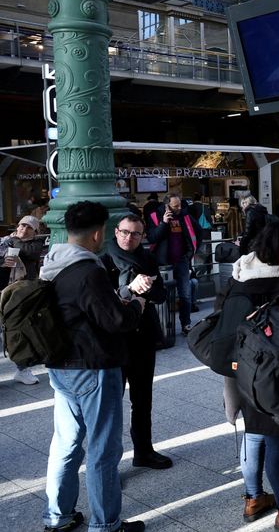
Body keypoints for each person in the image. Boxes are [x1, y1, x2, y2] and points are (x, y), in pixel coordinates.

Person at [40, 201, 146, 532]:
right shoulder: (89, 271)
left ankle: (58, 516)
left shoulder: (53, 263)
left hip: (61, 366)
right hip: (93, 367)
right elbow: (115, 320)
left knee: (66, 443)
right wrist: (137, 305)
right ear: (99, 233)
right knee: (103, 448)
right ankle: (106, 524)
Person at [213, 222, 279, 530]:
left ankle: (253, 497)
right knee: (275, 437)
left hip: (241, 370)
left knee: (253, 431)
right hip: (276, 373)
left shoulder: (240, 277)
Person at [101, 215, 172, 471]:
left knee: (143, 399)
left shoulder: (147, 258)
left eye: (135, 234)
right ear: (116, 232)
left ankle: (144, 451)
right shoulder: (104, 260)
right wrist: (129, 289)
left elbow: (162, 295)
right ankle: (109, 464)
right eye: (124, 232)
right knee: (111, 404)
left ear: (143, 237)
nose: (128, 238)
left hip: (143, 337)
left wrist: (148, 289)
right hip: (116, 341)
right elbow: (102, 303)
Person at [146, 193, 203, 335]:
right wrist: (164, 223)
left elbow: (199, 232)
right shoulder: (155, 216)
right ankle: (163, 326)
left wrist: (190, 252)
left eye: (179, 204)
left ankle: (186, 323)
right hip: (163, 263)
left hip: (182, 261)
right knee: (162, 295)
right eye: (175, 205)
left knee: (185, 294)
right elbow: (152, 237)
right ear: (167, 205)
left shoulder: (185, 216)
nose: (178, 208)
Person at [1, 215, 47, 384]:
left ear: (35, 232)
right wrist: (2, 262)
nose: (23, 229)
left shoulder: (36, 244)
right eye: (21, 225)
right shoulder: (6, 242)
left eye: (29, 227)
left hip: (21, 293)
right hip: (3, 289)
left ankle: (23, 369)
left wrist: (13, 241)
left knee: (18, 330)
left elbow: (30, 252)